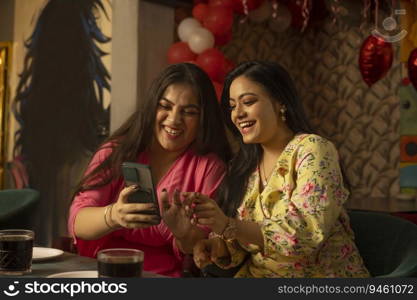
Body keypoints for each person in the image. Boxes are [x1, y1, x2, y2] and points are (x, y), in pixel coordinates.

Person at [190, 61, 370, 277]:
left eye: (248, 101)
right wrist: (217, 245)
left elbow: (305, 233)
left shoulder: (313, 149)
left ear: (280, 102)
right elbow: (246, 244)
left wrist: (230, 225)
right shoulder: (244, 166)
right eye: (232, 106)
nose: (237, 113)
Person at [68, 63, 230, 277]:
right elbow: (78, 220)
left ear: (203, 119)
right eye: (165, 106)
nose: (174, 119)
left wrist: (183, 234)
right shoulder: (117, 150)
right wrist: (114, 216)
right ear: (152, 107)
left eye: (189, 112)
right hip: (102, 272)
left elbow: (202, 247)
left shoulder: (209, 168)